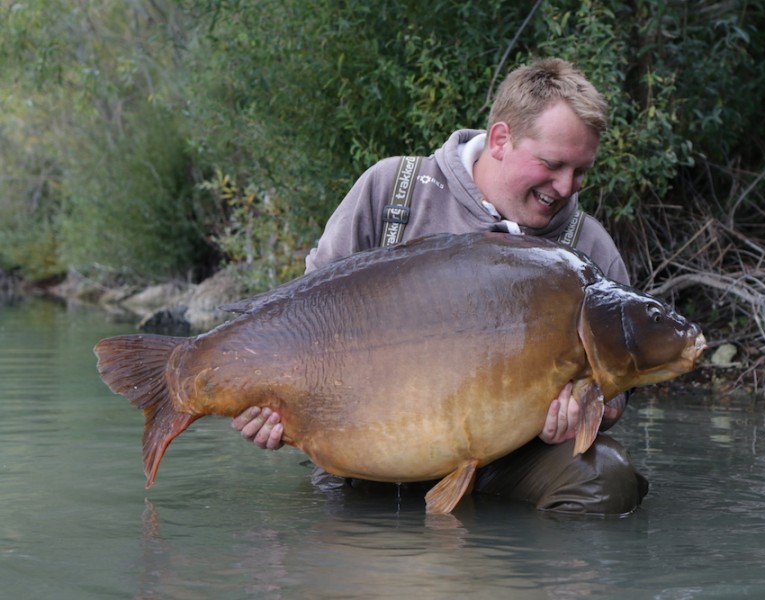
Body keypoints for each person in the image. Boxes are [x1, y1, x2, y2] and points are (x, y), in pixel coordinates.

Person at [231, 57, 648, 514]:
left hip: (506, 458)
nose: (567, 186)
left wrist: (591, 413)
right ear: (500, 139)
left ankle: (525, 577)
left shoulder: (588, 248)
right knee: (347, 524)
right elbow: (304, 318)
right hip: (368, 443)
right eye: (552, 164)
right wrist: (272, 403)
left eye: (581, 171)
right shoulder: (394, 192)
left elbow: (616, 385)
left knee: (607, 479)